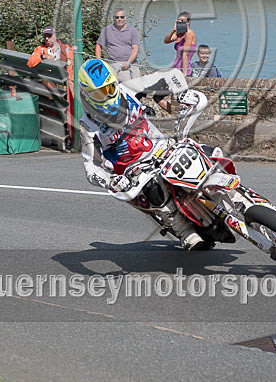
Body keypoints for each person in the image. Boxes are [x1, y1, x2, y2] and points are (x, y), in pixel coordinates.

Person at [77, 57, 208, 251]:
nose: (107, 95)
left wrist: (182, 94)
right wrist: (110, 181)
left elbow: (171, 75)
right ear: (87, 95)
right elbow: (91, 166)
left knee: (204, 152)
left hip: (162, 147)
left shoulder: (129, 88)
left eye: (110, 88)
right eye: (99, 93)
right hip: (132, 171)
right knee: (153, 192)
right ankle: (184, 231)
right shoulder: (88, 125)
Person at [27, 26, 75, 145]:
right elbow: (30, 62)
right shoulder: (40, 49)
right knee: (53, 107)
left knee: (70, 107)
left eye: (50, 36)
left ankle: (71, 136)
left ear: (55, 35)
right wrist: (43, 57)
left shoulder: (66, 48)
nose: (47, 39)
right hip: (50, 88)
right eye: (45, 36)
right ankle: (59, 136)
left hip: (66, 86)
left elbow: (72, 67)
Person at [96, 9, 141, 82]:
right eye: (117, 17)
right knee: (126, 80)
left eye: (121, 17)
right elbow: (98, 45)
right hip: (116, 63)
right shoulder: (107, 30)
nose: (119, 19)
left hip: (133, 63)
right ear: (114, 18)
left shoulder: (133, 30)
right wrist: (99, 61)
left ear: (125, 18)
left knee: (138, 83)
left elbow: (135, 48)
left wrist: (129, 62)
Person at [164, 11, 197, 77]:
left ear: (188, 22)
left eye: (183, 21)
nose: (181, 23)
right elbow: (166, 41)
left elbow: (185, 53)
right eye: (179, 21)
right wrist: (173, 30)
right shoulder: (178, 34)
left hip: (184, 71)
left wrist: (184, 73)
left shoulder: (189, 33)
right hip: (175, 69)